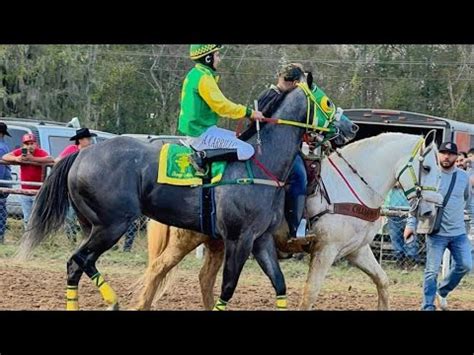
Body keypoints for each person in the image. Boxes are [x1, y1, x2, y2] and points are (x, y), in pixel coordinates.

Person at [404, 142, 472, 310]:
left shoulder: (463, 177)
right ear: (438, 155)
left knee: (466, 265)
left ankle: (442, 291)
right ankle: (428, 305)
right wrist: (410, 224)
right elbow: (416, 203)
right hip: (436, 232)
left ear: (456, 157)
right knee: (431, 271)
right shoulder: (430, 176)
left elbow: (469, 202)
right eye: (443, 153)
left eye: (450, 154)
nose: (446, 156)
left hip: (459, 232)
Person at [178, 44, 265, 174]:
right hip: (201, 135)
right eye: (217, 55)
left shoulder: (195, 73)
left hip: (203, 130)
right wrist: (249, 113)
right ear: (208, 58)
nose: (219, 59)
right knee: (247, 150)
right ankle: (201, 157)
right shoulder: (204, 78)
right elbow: (222, 107)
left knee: (240, 139)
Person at [255, 63, 309, 240]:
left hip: (288, 151)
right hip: (271, 154)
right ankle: (295, 228)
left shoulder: (288, 98)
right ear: (293, 83)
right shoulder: (270, 97)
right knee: (300, 176)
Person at [2, 134, 54, 229]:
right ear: (23, 145)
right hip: (25, 191)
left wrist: (32, 159)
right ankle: (28, 237)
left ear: (36, 144)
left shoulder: (40, 152)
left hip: (38, 192)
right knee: (27, 218)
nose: (29, 146)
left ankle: (38, 237)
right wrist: (16, 158)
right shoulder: (22, 152)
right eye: (27, 144)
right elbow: (5, 157)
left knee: (38, 217)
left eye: (32, 143)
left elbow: (50, 159)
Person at [56, 128, 98, 243]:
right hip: (73, 187)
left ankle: (88, 237)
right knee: (71, 215)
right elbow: (58, 161)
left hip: (87, 188)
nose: (90, 141)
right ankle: (72, 239)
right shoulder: (72, 150)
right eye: (88, 138)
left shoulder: (92, 151)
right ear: (81, 140)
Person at [384, 183, 419, 267]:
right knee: (395, 238)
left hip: (410, 209)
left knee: (410, 238)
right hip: (393, 208)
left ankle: (410, 260)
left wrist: (402, 184)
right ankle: (399, 260)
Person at [0, 122, 12, 244]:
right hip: (5, 182)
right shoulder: (4, 146)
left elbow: (1, 169)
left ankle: (0, 235)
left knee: (0, 208)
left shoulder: (1, 148)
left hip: (2, 182)